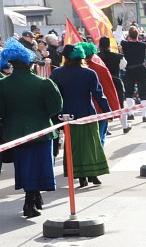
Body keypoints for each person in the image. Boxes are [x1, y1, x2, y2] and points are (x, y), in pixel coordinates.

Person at [0, 37, 63, 217]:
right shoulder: (43, 83)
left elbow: (1, 111)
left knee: (24, 166)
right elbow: (56, 107)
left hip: (15, 133)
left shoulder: (3, 85)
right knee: (41, 165)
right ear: (29, 64)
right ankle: (32, 199)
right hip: (41, 129)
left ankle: (31, 197)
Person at [51, 44, 110, 188]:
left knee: (73, 145)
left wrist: (54, 114)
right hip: (87, 112)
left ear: (65, 58)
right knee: (91, 144)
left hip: (67, 115)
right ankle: (93, 174)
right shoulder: (89, 73)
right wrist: (107, 111)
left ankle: (79, 175)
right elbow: (98, 94)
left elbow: (53, 94)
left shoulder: (57, 73)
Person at [121, 26, 146, 123]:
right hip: (140, 69)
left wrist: (119, 27)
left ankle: (131, 113)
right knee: (142, 92)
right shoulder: (143, 45)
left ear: (128, 35)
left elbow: (118, 37)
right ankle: (144, 115)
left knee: (129, 92)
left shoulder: (125, 44)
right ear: (138, 35)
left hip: (130, 69)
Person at [96, 37, 128, 133]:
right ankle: (125, 126)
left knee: (103, 104)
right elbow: (123, 66)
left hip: (101, 82)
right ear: (109, 45)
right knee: (120, 103)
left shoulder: (96, 57)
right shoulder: (117, 56)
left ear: (99, 45)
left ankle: (106, 128)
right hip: (115, 81)